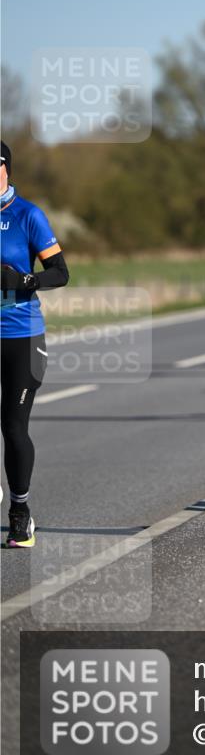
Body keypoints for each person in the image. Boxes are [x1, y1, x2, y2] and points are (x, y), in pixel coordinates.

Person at [1, 140, 70, 547]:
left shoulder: (28, 215)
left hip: (20, 336)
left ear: (6, 168)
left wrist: (26, 281)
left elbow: (60, 272)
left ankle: (20, 511)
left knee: (12, 426)